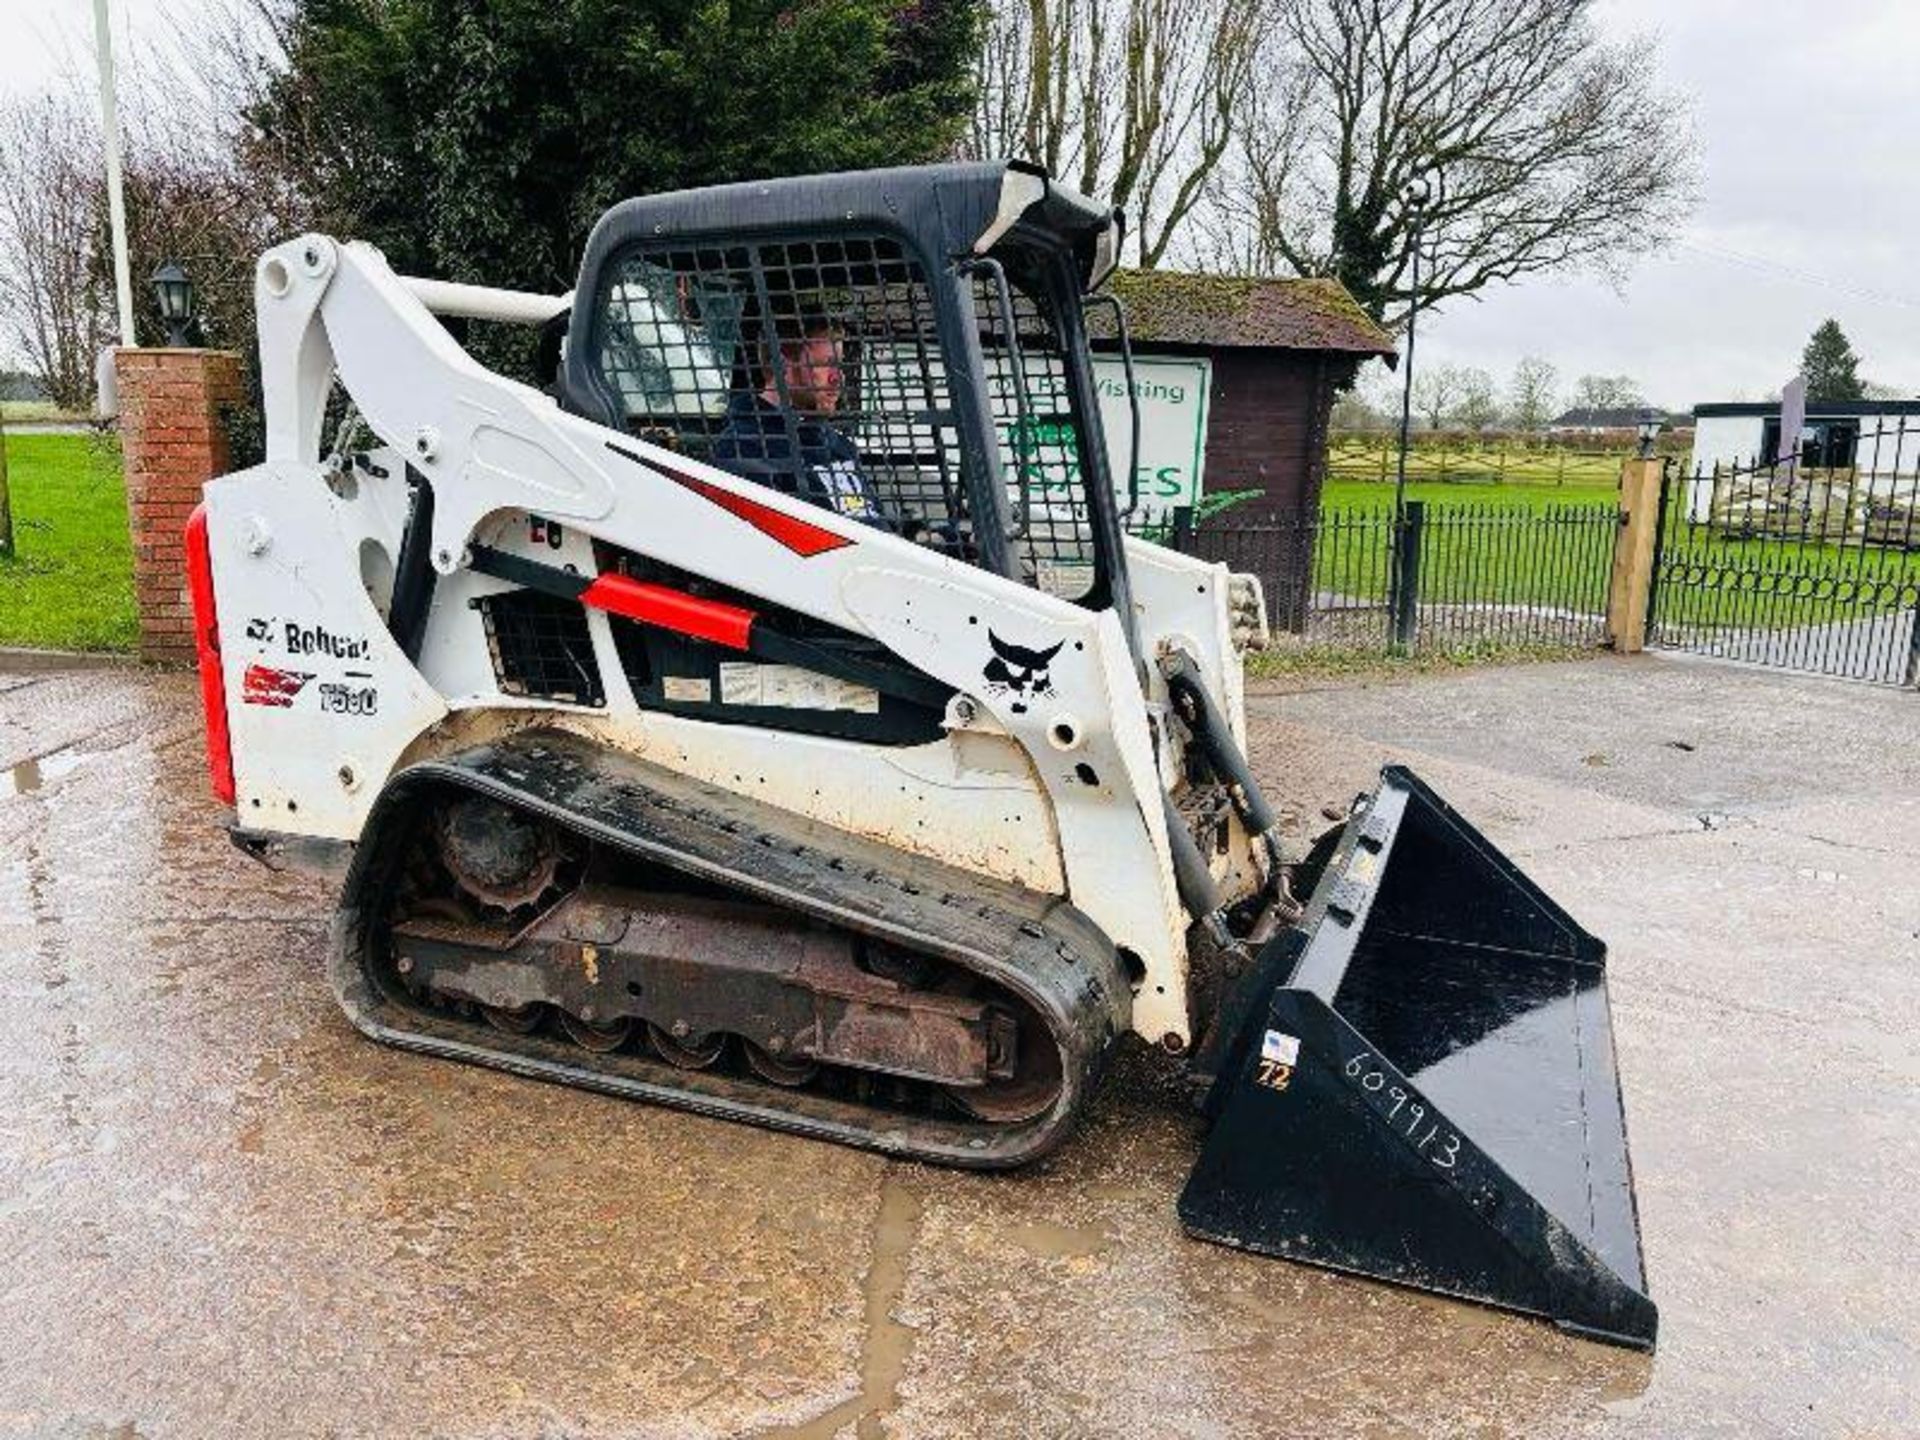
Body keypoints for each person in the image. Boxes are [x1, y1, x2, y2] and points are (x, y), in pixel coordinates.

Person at [709, 304, 887, 527]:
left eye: (839, 365)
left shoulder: (837, 445)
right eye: (825, 364)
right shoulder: (746, 449)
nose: (837, 378)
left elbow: (878, 522)